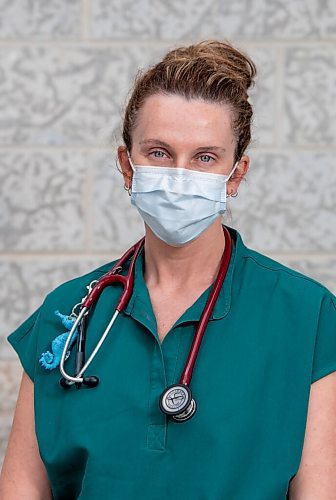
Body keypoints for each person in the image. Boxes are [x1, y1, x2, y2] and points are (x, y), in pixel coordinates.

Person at [0, 39, 335, 500]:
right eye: (159, 152)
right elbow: (21, 489)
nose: (180, 176)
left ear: (234, 175)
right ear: (127, 165)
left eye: (204, 157)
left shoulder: (308, 316)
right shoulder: (68, 315)